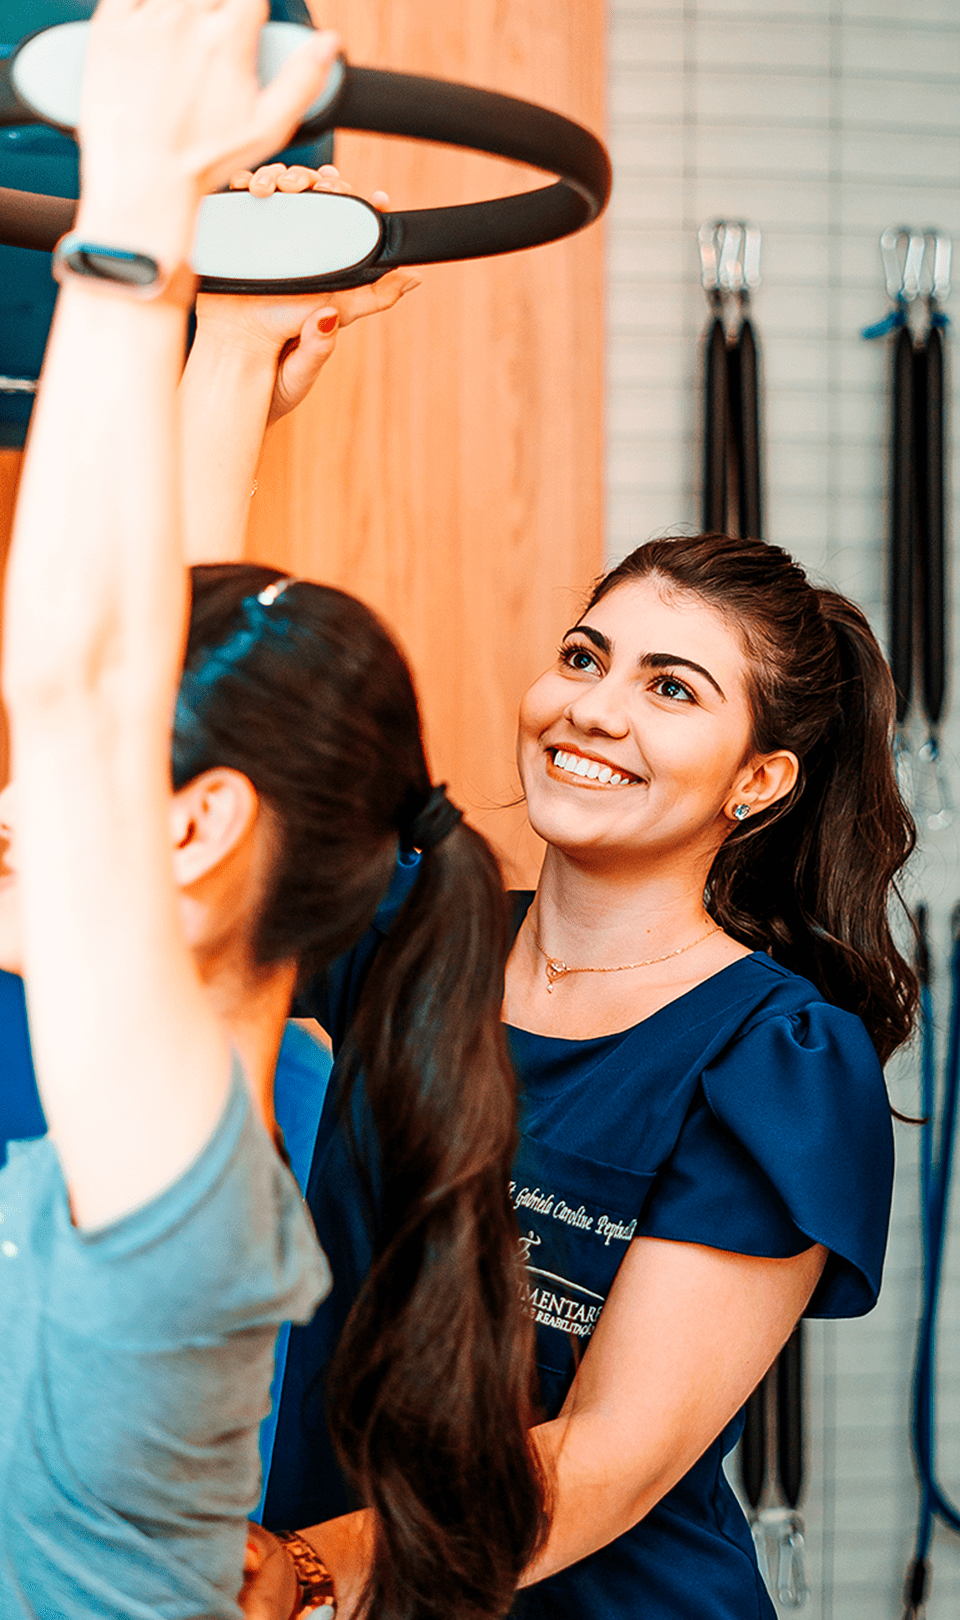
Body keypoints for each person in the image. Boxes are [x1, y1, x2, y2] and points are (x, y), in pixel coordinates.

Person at [164, 169, 915, 1618]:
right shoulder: (417, 932)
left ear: (759, 781)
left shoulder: (776, 1058)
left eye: (671, 688)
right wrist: (236, 353)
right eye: (584, 657)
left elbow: (610, 1464)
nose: (595, 710)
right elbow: (198, 701)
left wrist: (311, 1574)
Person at [0, 9, 544, 1620]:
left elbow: (90, 689)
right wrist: (230, 345)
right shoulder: (251, 1085)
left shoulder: (175, 1174)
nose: (17, 815)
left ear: (195, 832)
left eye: (55, 798)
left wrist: (138, 208)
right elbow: (153, 659)